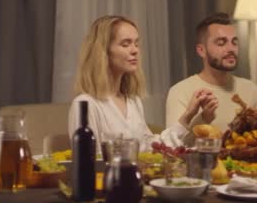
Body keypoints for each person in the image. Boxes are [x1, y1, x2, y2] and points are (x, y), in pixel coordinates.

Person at [67, 15, 188, 153]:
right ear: (103, 52)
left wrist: (188, 117)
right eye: (125, 44)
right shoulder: (85, 105)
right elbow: (89, 163)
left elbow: (150, 147)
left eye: (136, 44)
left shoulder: (133, 101)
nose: (135, 50)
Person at [165, 13, 257, 144]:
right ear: (201, 50)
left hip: (248, 164)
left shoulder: (250, 88)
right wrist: (203, 119)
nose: (231, 49)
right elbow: (173, 148)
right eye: (221, 43)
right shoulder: (180, 91)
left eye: (234, 42)